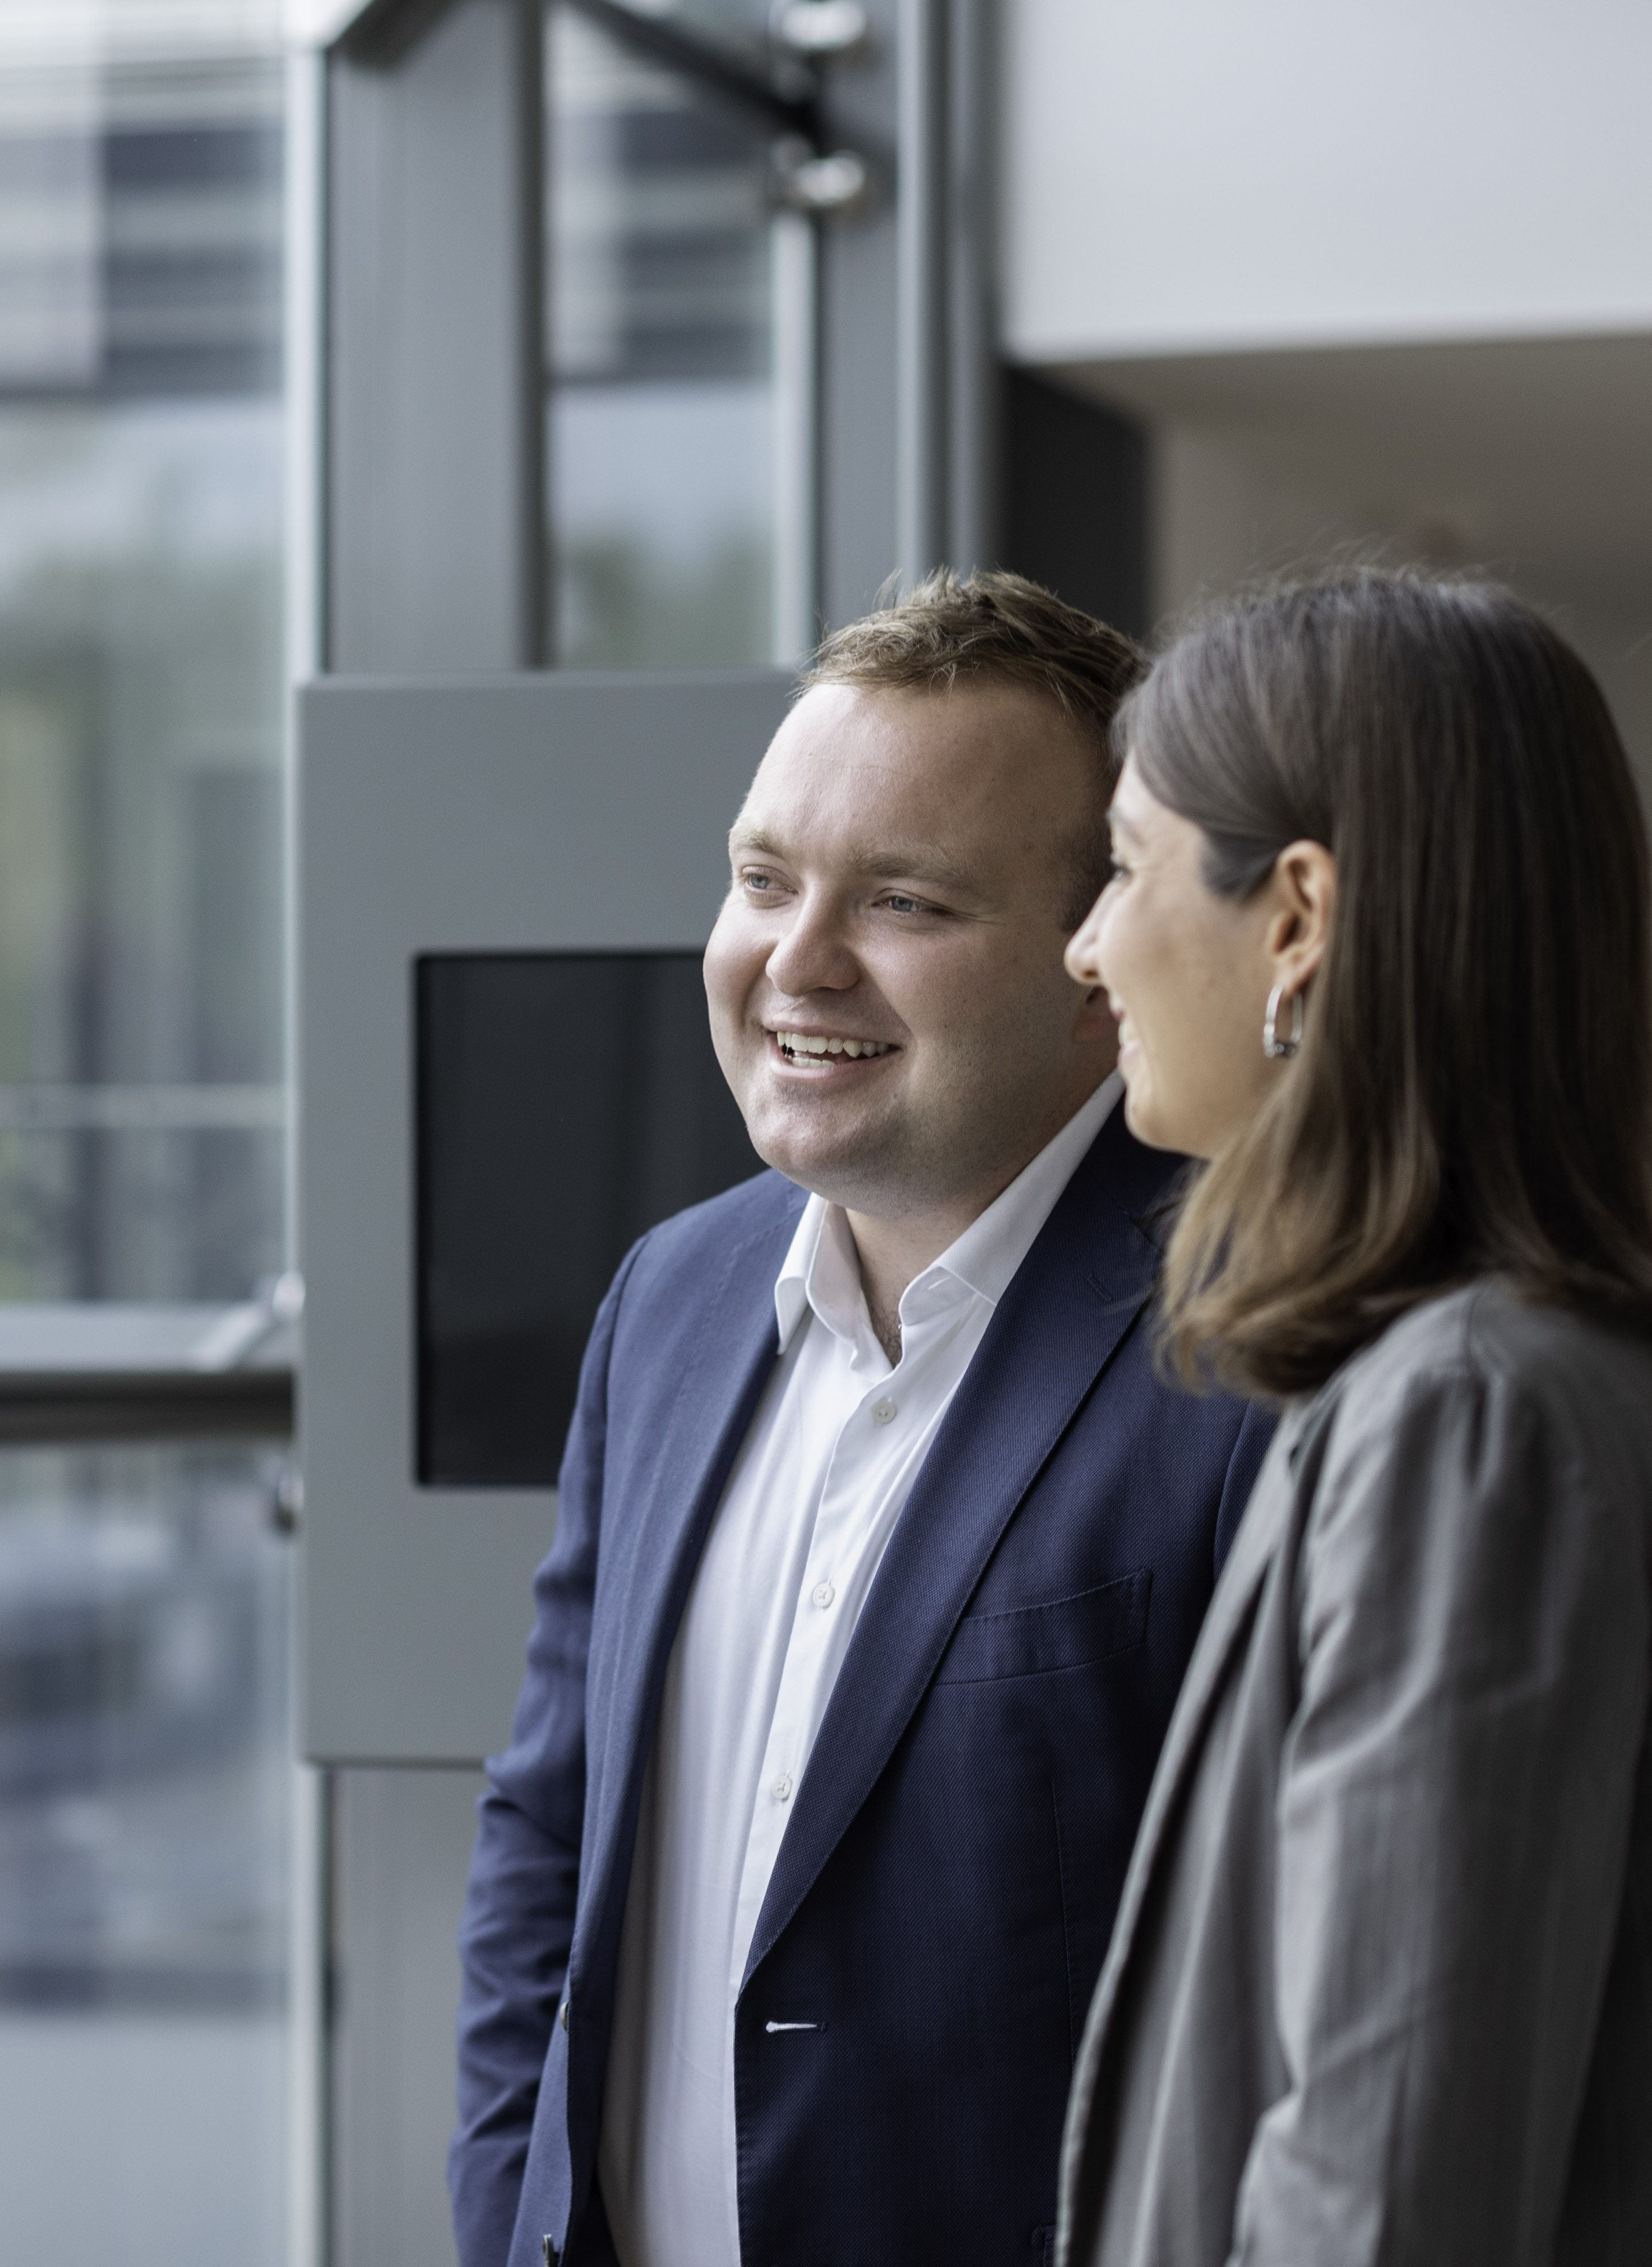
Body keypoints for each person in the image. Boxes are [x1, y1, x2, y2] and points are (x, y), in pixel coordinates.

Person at [452, 571, 1278, 2267]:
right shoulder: (666, 1304)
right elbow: (549, 1830)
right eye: (762, 878)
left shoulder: (1259, 1340)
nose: (792, 959)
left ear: (1094, 964)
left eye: (900, 899)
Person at [1053, 568, 1652, 2265]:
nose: (1087, 944)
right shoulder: (1513, 1391)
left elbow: (1383, 2193)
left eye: (1122, 867)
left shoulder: (1470, 1422)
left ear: (1295, 914)